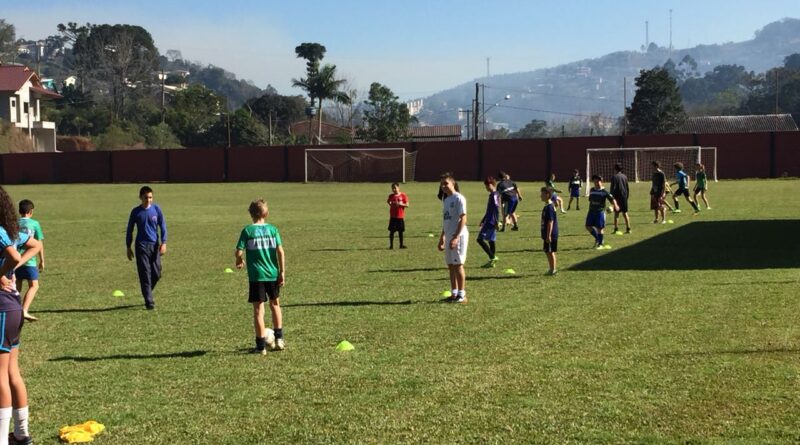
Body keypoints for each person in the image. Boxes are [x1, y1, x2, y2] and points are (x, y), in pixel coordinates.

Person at [0, 186, 42, 445]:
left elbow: (14, 255)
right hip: (14, 305)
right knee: (12, 372)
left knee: (0, 375)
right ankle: (21, 434)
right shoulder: (9, 230)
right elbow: (35, 245)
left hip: (3, 306)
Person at [235, 199, 286, 355]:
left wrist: (239, 260)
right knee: (275, 304)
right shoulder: (273, 230)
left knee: (258, 310)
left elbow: (239, 251)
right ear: (266, 213)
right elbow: (280, 252)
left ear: (251, 214)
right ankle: (279, 339)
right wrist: (282, 271)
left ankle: (261, 346)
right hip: (272, 273)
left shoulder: (247, 231)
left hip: (256, 276)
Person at [126, 186, 167, 310]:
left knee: (156, 273)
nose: (148, 200)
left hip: (154, 245)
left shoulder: (156, 209)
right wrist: (128, 246)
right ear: (140, 197)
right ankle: (149, 301)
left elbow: (163, 225)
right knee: (145, 273)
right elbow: (129, 230)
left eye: (150, 197)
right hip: (141, 246)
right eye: (146, 197)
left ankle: (147, 290)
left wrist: (164, 243)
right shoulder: (136, 212)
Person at [438, 173, 468, 304]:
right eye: (442, 184)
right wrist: (442, 237)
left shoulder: (459, 198)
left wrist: (456, 236)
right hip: (449, 235)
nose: (443, 186)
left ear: (453, 183)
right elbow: (446, 220)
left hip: (458, 235)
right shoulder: (446, 200)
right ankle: (454, 293)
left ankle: (462, 295)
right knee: (450, 266)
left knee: (458, 265)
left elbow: (463, 218)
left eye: (446, 183)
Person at [15, 200, 44, 322]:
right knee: (34, 285)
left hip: (16, 259)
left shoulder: (14, 223)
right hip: (29, 259)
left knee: (17, 287)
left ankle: (14, 310)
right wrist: (42, 260)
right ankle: (24, 310)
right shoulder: (35, 223)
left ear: (19, 211)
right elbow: (39, 243)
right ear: (31, 212)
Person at [585, 175, 618, 249]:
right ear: (593, 182)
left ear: (601, 181)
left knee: (599, 228)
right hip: (591, 211)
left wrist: (615, 206)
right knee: (588, 226)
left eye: (599, 181)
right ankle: (597, 238)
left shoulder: (604, 191)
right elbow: (590, 200)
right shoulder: (592, 190)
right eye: (596, 181)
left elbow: (612, 199)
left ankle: (600, 244)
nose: (597, 182)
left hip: (600, 212)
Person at [476, 176, 500, 268]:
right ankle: (491, 262)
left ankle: (492, 256)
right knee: (491, 240)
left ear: (491, 184)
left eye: (486, 186)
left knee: (479, 239)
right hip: (489, 220)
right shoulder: (493, 194)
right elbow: (489, 210)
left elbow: (496, 209)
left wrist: (497, 222)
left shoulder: (494, 195)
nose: (486, 188)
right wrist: (483, 220)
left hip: (491, 221)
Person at [540, 187, 558, 276]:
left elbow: (551, 222)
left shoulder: (549, 207)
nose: (540, 196)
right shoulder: (547, 206)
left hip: (550, 234)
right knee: (547, 251)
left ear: (547, 195)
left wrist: (548, 235)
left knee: (550, 251)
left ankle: (553, 269)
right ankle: (551, 268)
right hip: (547, 233)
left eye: (542, 194)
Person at [610, 163, 631, 234]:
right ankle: (628, 229)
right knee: (625, 213)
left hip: (617, 197)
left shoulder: (614, 177)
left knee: (616, 214)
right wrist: (626, 196)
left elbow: (612, 188)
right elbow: (627, 188)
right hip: (624, 197)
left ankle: (616, 229)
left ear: (615, 169)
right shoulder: (625, 176)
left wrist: (612, 199)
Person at [386, 183, 409, 249]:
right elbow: (388, 201)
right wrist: (390, 204)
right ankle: (391, 246)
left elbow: (407, 205)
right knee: (392, 231)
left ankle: (401, 245)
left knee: (400, 231)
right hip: (393, 216)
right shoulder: (391, 196)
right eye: (392, 188)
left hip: (400, 216)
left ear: (398, 188)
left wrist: (401, 204)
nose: (394, 189)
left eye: (395, 188)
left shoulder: (403, 195)